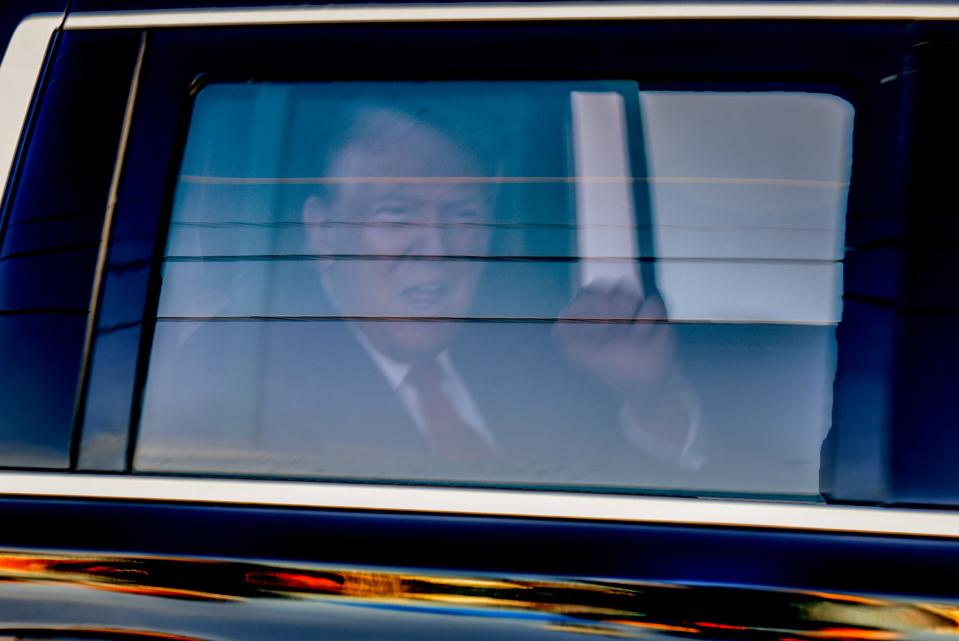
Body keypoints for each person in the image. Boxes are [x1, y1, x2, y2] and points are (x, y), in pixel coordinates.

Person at [255, 105, 703, 484]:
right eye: (396, 215)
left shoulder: (527, 354)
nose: (438, 251)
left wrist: (651, 399)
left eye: (463, 217)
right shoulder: (247, 377)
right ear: (324, 233)